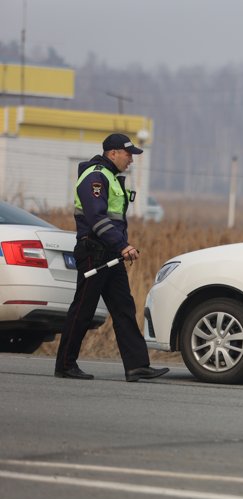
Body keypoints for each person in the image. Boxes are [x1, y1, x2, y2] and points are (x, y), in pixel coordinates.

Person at [55, 133, 169, 382]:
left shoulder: (112, 178)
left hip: (110, 254)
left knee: (124, 309)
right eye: (129, 154)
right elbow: (97, 218)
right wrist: (123, 245)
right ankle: (65, 364)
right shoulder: (95, 176)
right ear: (113, 153)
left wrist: (119, 247)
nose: (131, 160)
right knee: (82, 310)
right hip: (94, 253)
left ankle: (137, 366)